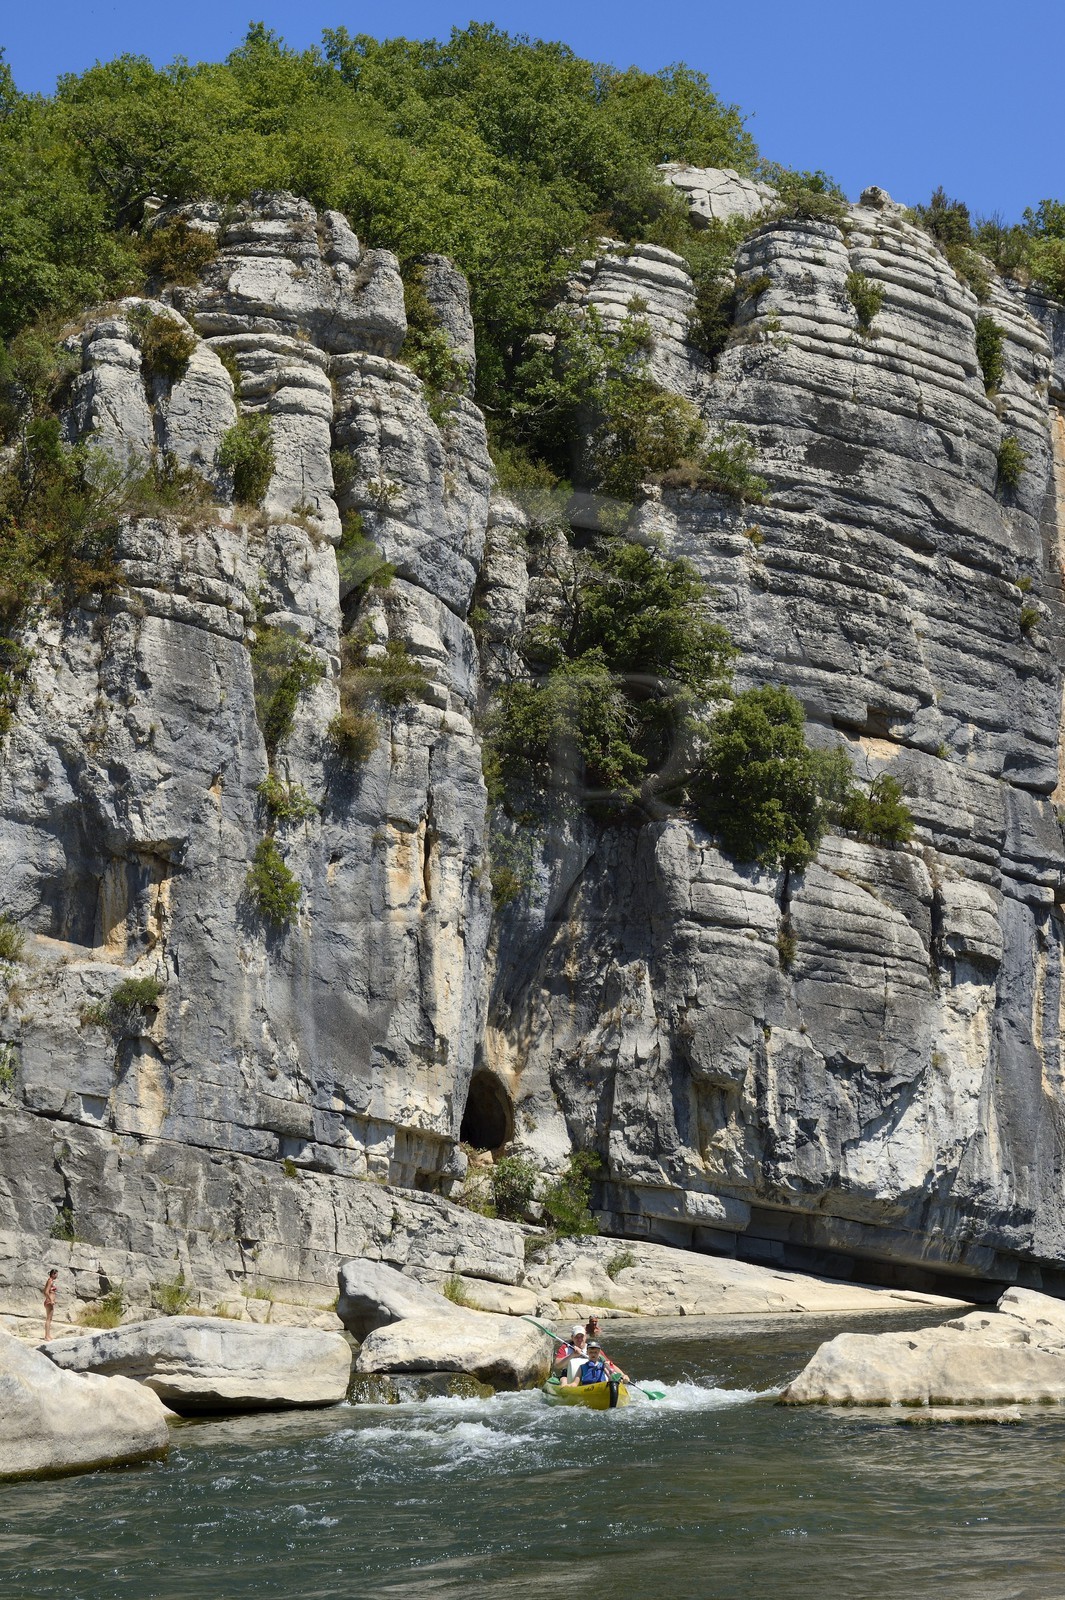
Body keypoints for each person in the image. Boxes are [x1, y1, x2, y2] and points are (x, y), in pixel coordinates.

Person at [42, 1268, 58, 1340]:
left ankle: (48, 1335)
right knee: (48, 1319)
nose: (57, 1275)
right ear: (53, 1274)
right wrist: (51, 1300)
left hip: (50, 1301)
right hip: (49, 1302)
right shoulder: (50, 1281)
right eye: (56, 1274)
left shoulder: (51, 1281)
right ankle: (46, 1336)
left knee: (50, 1319)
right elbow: (46, 1291)